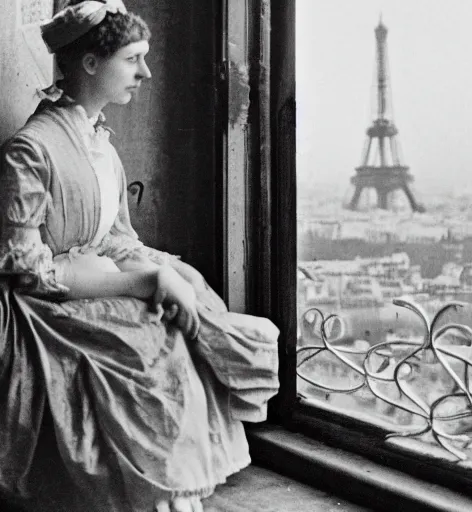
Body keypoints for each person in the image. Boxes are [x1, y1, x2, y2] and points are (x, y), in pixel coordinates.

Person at [0, 1, 279, 511]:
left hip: (95, 275)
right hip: (45, 300)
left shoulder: (100, 146)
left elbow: (115, 237)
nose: (146, 73)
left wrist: (164, 270)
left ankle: (171, 485)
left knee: (189, 290)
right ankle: (144, 492)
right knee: (147, 338)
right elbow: (24, 266)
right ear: (89, 63)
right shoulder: (31, 150)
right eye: (133, 59)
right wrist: (139, 282)